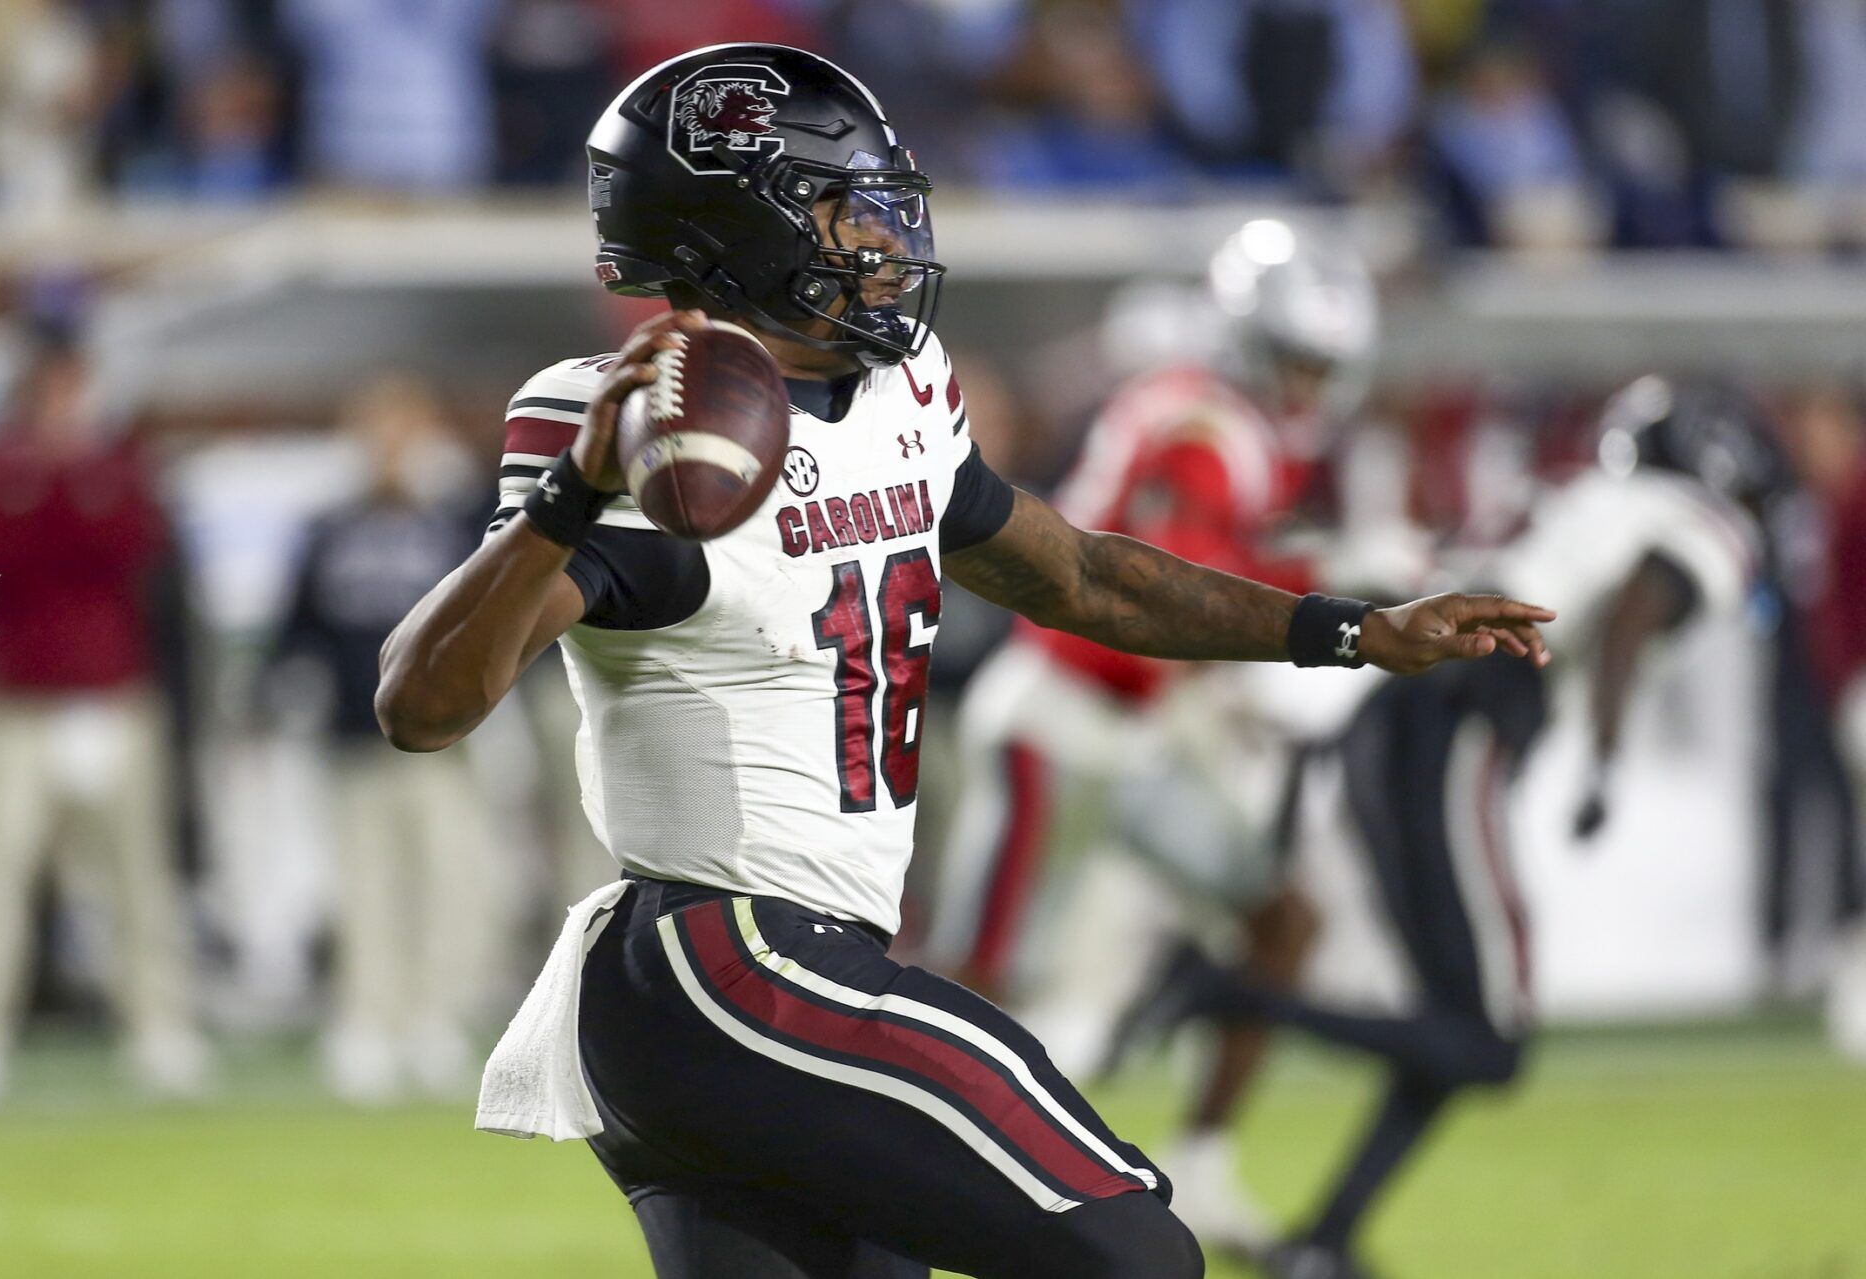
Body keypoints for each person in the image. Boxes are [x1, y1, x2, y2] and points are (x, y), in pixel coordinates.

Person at [374, 43, 1552, 1279]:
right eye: (843, 206)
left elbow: (1087, 576)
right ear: (736, 232)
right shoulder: (621, 421)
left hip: (778, 978)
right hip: (727, 961)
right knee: (1136, 1253)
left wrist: (1355, 628)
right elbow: (423, 703)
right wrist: (572, 492)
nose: (882, 238)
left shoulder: (902, 392)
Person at [1123, 376, 1778, 1279]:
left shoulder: (1573, 495)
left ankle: (1326, 1238)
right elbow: (1638, 606)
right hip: (1459, 719)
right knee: (1491, 1040)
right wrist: (1606, 757)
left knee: (1461, 1027)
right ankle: (1224, 990)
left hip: (1399, 718)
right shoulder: (1700, 523)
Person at [925, 217, 1384, 1253]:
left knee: (1282, 922)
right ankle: (892, 1192)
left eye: (1323, 368)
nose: (1308, 391)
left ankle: (1209, 1167)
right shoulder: (1197, 424)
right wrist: (1325, 591)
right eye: (1295, 363)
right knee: (977, 982)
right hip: (1060, 721)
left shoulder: (1219, 418)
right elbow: (1168, 582)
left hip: (1140, 737)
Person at [0, 332, 207, 1107]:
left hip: (110, 696)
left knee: (135, 875)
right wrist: (56, 485)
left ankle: (159, 1024)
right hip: (11, 701)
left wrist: (67, 486)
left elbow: (128, 549)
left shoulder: (120, 468)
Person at [261, 373, 500, 1102]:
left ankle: (434, 1016)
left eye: (405, 430)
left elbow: (494, 622)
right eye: (379, 430)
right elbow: (294, 627)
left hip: (448, 741)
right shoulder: (329, 527)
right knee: (366, 887)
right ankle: (367, 1020)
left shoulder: (460, 523)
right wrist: (277, 696)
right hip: (355, 736)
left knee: (449, 881)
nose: (392, 447)